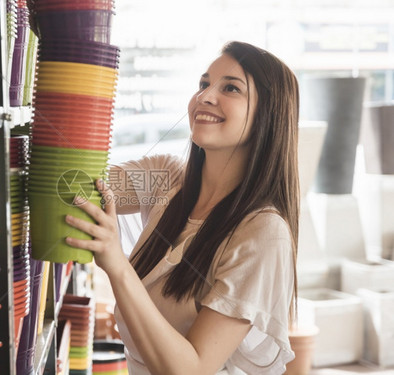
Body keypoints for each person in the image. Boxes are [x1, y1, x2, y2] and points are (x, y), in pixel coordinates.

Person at [64, 41, 300, 375]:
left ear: (268, 115)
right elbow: (70, 186)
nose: (204, 96)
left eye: (231, 88)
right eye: (204, 84)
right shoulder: (167, 178)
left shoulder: (263, 232)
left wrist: (117, 265)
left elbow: (193, 369)